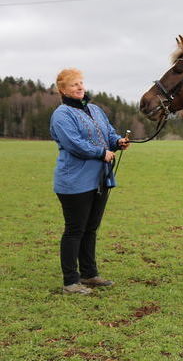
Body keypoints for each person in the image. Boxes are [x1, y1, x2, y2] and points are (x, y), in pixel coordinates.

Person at [50, 68, 130, 295]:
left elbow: (108, 133)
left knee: (90, 229)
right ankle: (70, 282)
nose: (79, 87)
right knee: (75, 230)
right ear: (63, 89)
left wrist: (118, 141)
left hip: (99, 179)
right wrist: (100, 152)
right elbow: (73, 143)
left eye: (81, 83)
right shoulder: (62, 114)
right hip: (74, 181)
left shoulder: (94, 109)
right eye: (74, 84)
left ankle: (89, 274)